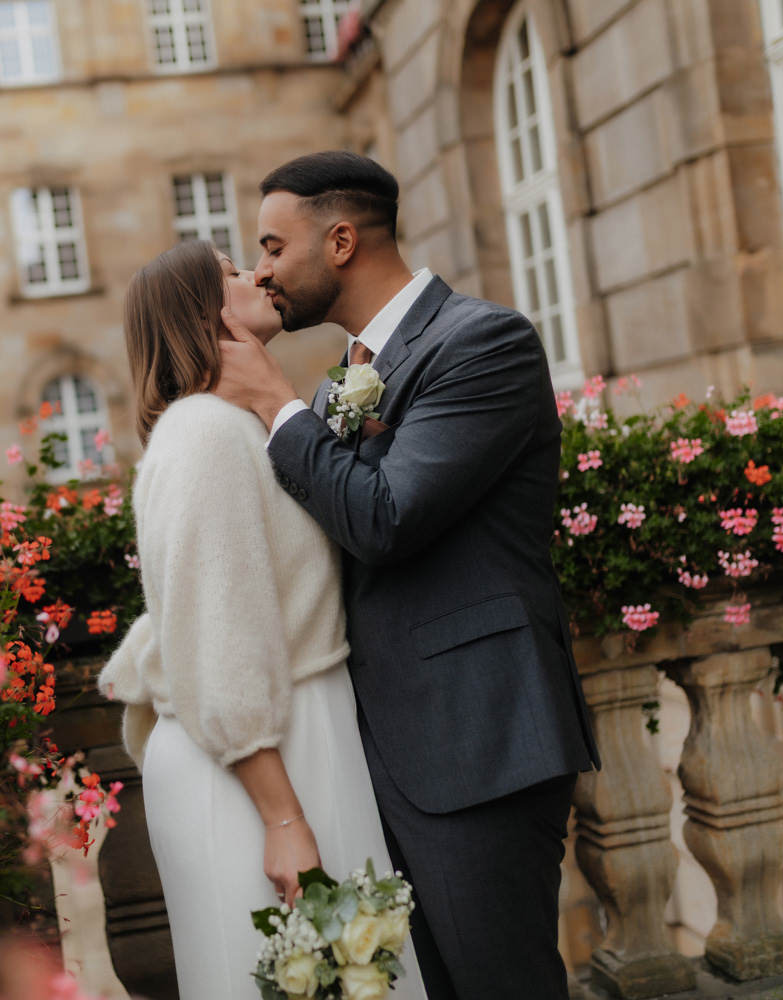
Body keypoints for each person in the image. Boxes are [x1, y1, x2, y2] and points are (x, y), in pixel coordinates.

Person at [211, 150, 600, 1000]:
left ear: (341, 240)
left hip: (477, 736)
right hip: (378, 747)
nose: (265, 270)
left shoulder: (482, 341)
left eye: (274, 247)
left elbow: (386, 516)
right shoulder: (340, 380)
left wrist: (272, 403)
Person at [99, 240, 427, 1000]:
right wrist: (284, 820)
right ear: (202, 311)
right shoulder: (206, 435)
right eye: (234, 272)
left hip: (288, 737)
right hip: (262, 759)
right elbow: (220, 645)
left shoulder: (232, 425)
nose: (260, 276)